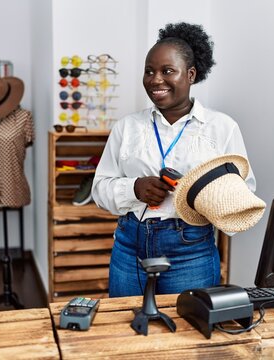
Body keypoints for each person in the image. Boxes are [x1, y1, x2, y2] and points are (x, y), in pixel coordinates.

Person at [92, 22, 257, 297]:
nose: (156, 80)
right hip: (129, 246)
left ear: (190, 74)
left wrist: (200, 196)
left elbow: (243, 196)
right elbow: (99, 188)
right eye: (149, 71)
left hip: (190, 250)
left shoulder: (221, 128)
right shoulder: (127, 127)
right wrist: (134, 188)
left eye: (168, 71)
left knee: (189, 330)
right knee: (126, 328)